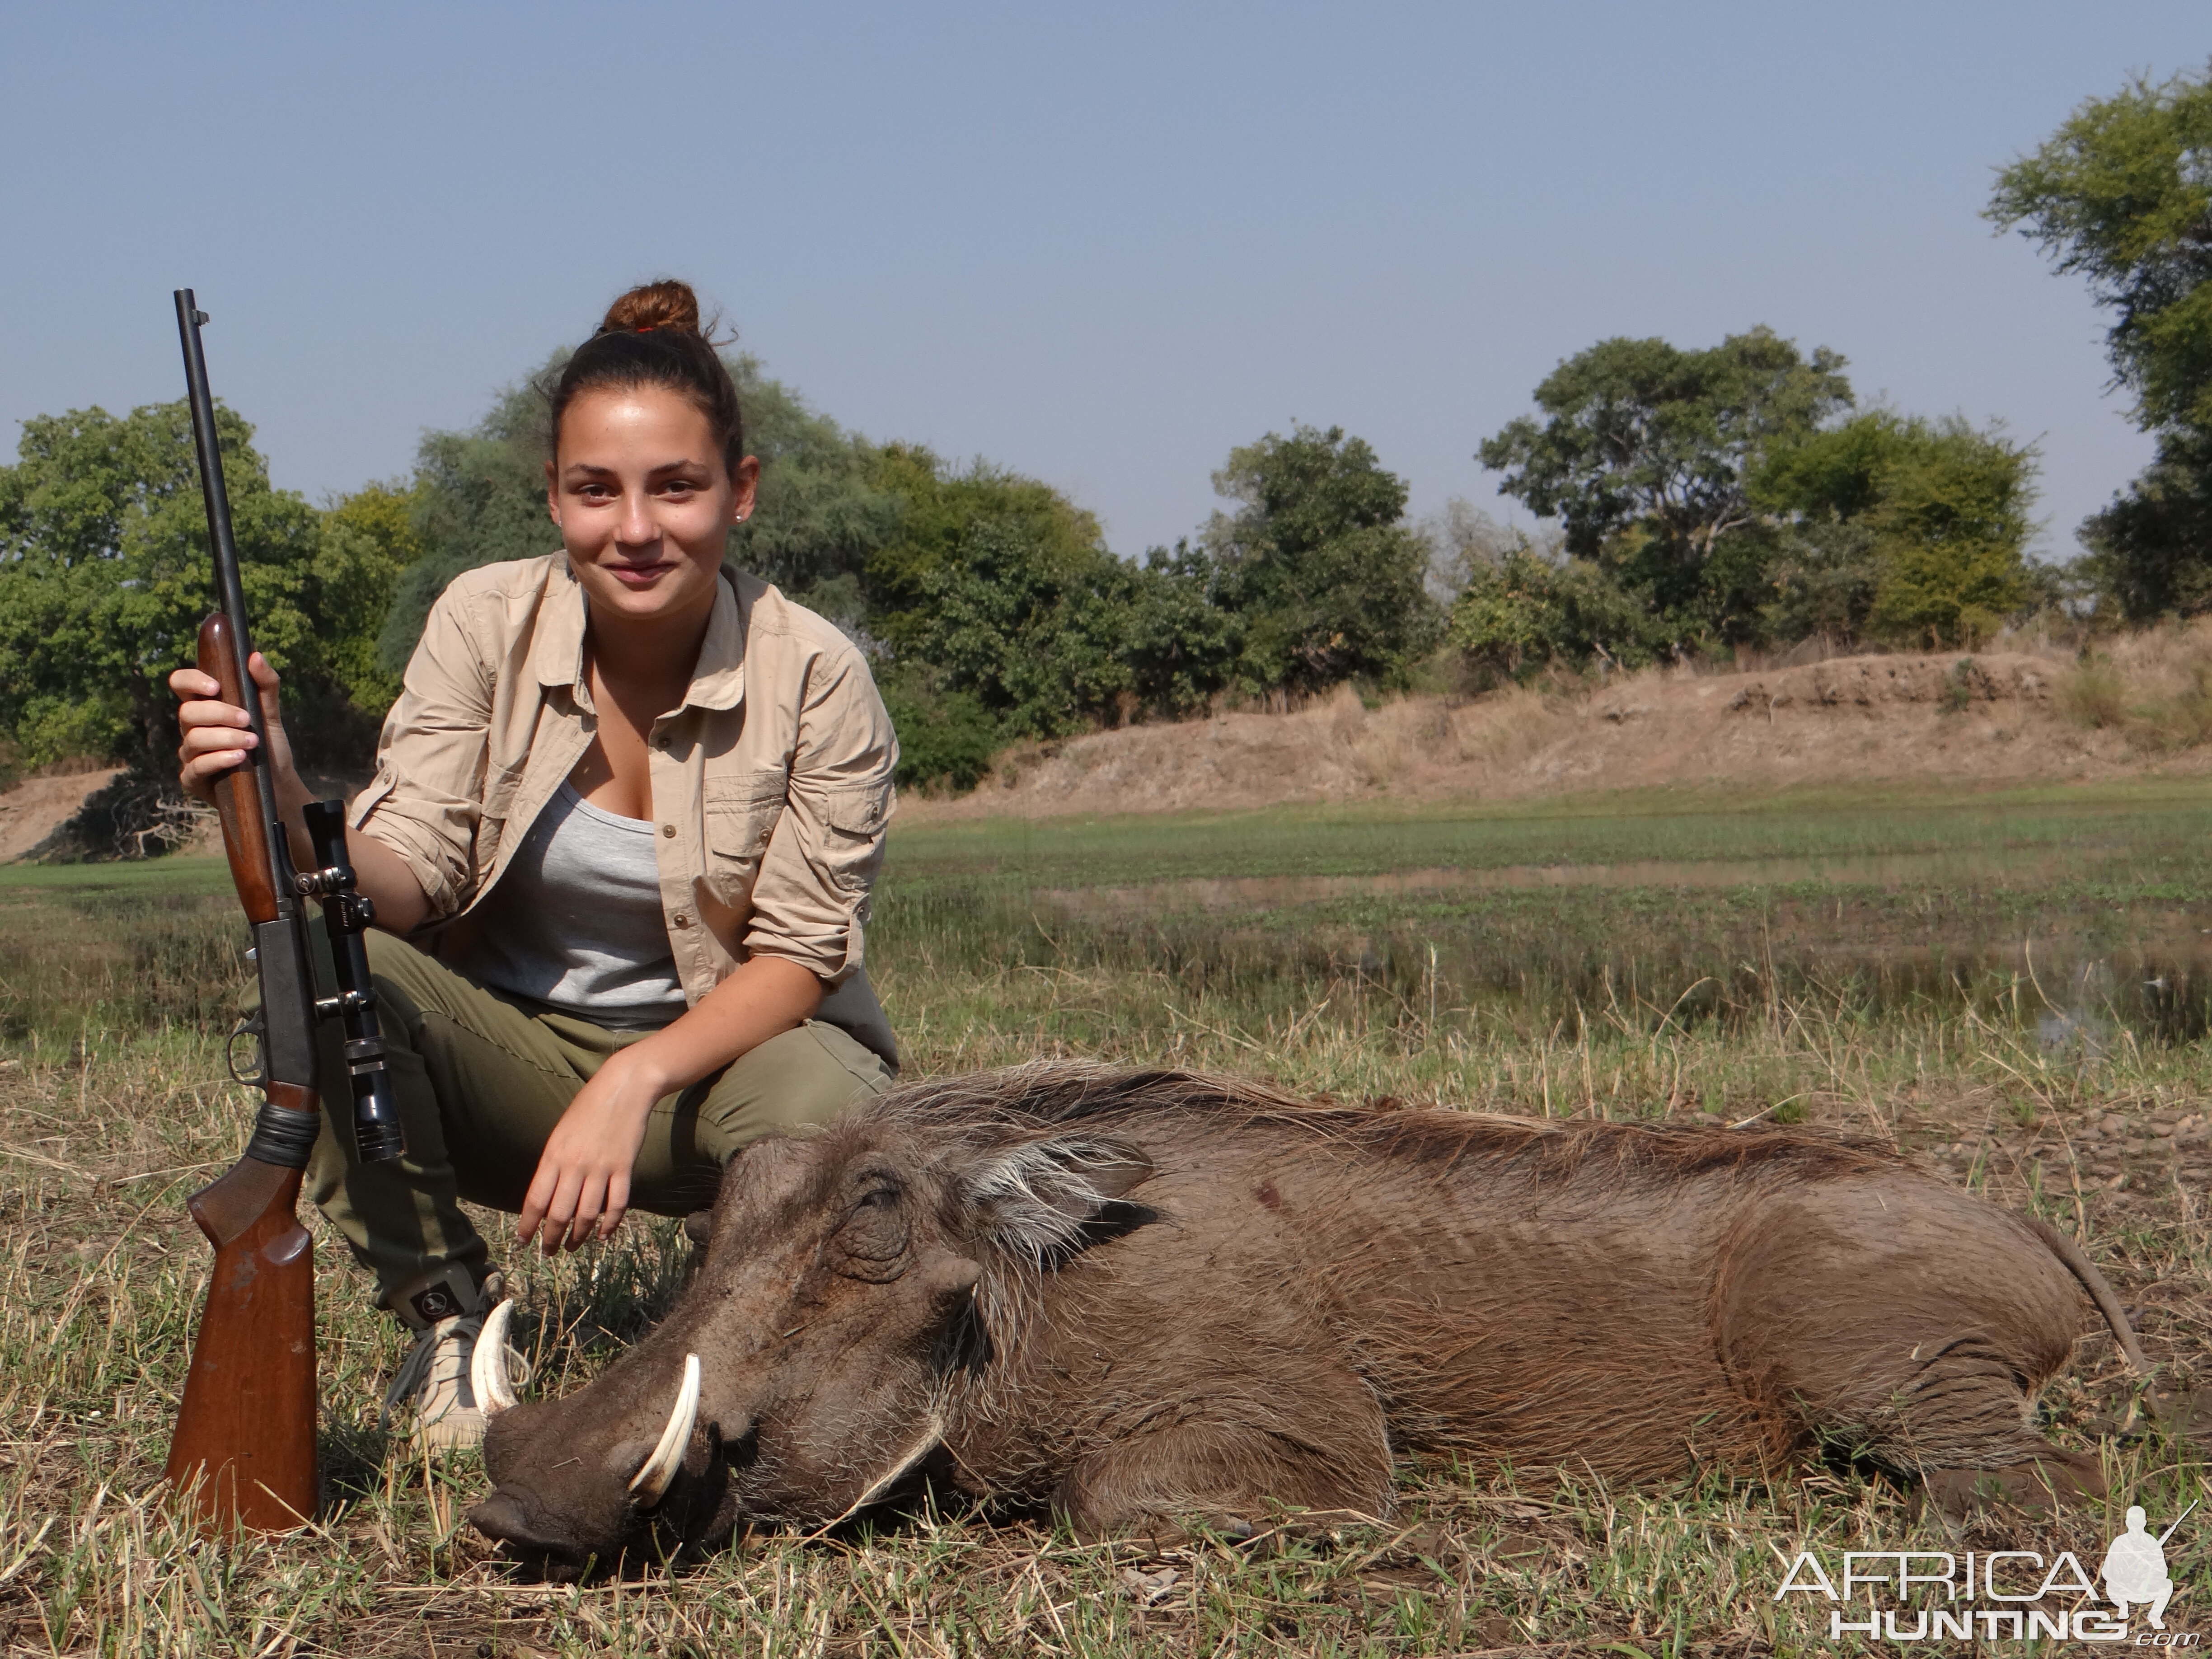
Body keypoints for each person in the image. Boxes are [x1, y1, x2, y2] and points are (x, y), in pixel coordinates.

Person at [171, 279, 900, 1448]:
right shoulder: (481, 618)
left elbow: (805, 956)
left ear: (741, 491)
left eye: (677, 486)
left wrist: (633, 1080)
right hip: (508, 1068)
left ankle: (763, 1330)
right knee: (328, 955)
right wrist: (287, 793)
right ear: (554, 496)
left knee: (840, 1107)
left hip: (723, 1077)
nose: (636, 528)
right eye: (596, 490)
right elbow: (402, 877)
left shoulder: (817, 673)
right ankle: (450, 1332)